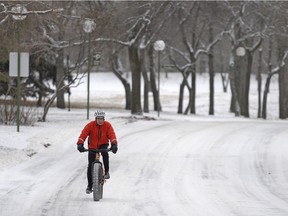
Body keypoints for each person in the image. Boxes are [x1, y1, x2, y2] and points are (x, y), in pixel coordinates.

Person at [77, 110, 118, 194]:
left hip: (103, 144)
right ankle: (89, 185)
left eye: (101, 118)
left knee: (105, 154)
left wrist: (114, 144)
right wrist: (80, 144)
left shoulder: (107, 125)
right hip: (92, 146)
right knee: (90, 165)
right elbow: (83, 134)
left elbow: (112, 135)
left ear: (104, 119)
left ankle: (106, 172)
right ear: (95, 119)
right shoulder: (90, 125)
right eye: (98, 118)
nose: (100, 120)